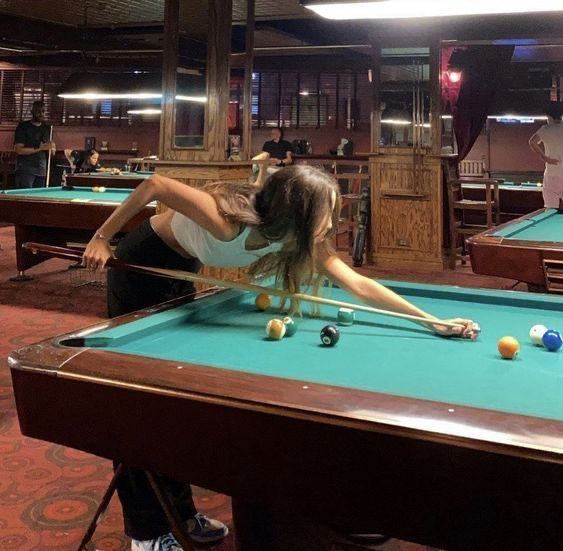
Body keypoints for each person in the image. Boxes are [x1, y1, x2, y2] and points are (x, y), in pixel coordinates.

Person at [82, 165, 479, 550]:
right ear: (298, 211)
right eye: (328, 210)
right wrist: (103, 238)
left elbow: (358, 283)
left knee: (168, 398)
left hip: (182, 267)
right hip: (140, 264)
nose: (332, 220)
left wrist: (433, 322)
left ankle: (180, 515)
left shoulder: (298, 238)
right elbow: (155, 184)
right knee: (141, 399)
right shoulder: (227, 222)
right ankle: (148, 531)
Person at [528, 102, 563, 208]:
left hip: (552, 173)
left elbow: (532, 142)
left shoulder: (546, 129)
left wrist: (544, 157)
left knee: (550, 207)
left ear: (548, 116)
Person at [13, 100, 55, 188]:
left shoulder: (47, 129)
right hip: (26, 170)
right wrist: (40, 148)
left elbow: (51, 152)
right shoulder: (23, 127)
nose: (41, 114)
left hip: (41, 170)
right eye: (38, 111)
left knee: (38, 198)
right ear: (32, 112)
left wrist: (52, 148)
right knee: (25, 198)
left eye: (43, 111)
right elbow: (18, 150)